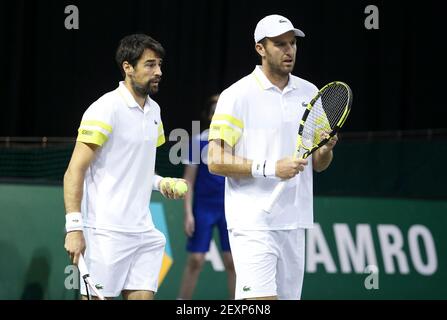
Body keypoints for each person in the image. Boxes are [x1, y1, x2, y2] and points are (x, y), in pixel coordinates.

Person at [207, 14, 338, 300]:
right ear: (260, 48)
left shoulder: (310, 92)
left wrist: (325, 150)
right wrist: (271, 168)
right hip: (252, 221)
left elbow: (318, 165)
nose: (289, 50)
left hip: (295, 221)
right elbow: (215, 160)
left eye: (292, 43)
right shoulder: (236, 95)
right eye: (279, 44)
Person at [63, 34, 187, 300]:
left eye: (160, 65)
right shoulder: (104, 109)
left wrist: (160, 182)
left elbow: (138, 169)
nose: (158, 72)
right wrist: (73, 227)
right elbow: (74, 170)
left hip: (143, 231)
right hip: (105, 233)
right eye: (150, 65)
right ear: (127, 67)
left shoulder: (155, 111)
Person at [177, 94, 235, 300]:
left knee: (232, 261)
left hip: (230, 209)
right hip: (203, 209)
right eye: (214, 111)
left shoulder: (236, 142)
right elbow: (188, 181)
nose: (217, 114)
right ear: (209, 116)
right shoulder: (197, 141)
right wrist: (188, 214)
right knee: (196, 259)